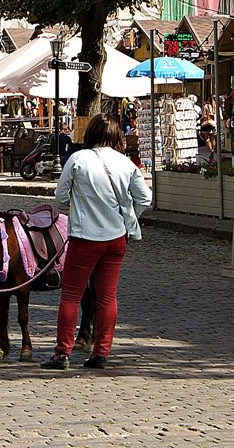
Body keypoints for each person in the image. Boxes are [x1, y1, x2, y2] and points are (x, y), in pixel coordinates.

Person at [41, 114, 152, 370]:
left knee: (70, 296)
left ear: (90, 133)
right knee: (107, 297)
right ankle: (101, 352)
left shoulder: (78, 159)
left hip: (84, 237)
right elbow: (145, 198)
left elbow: (59, 195)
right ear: (117, 136)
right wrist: (129, 217)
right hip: (115, 239)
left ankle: (62, 353)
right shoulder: (126, 163)